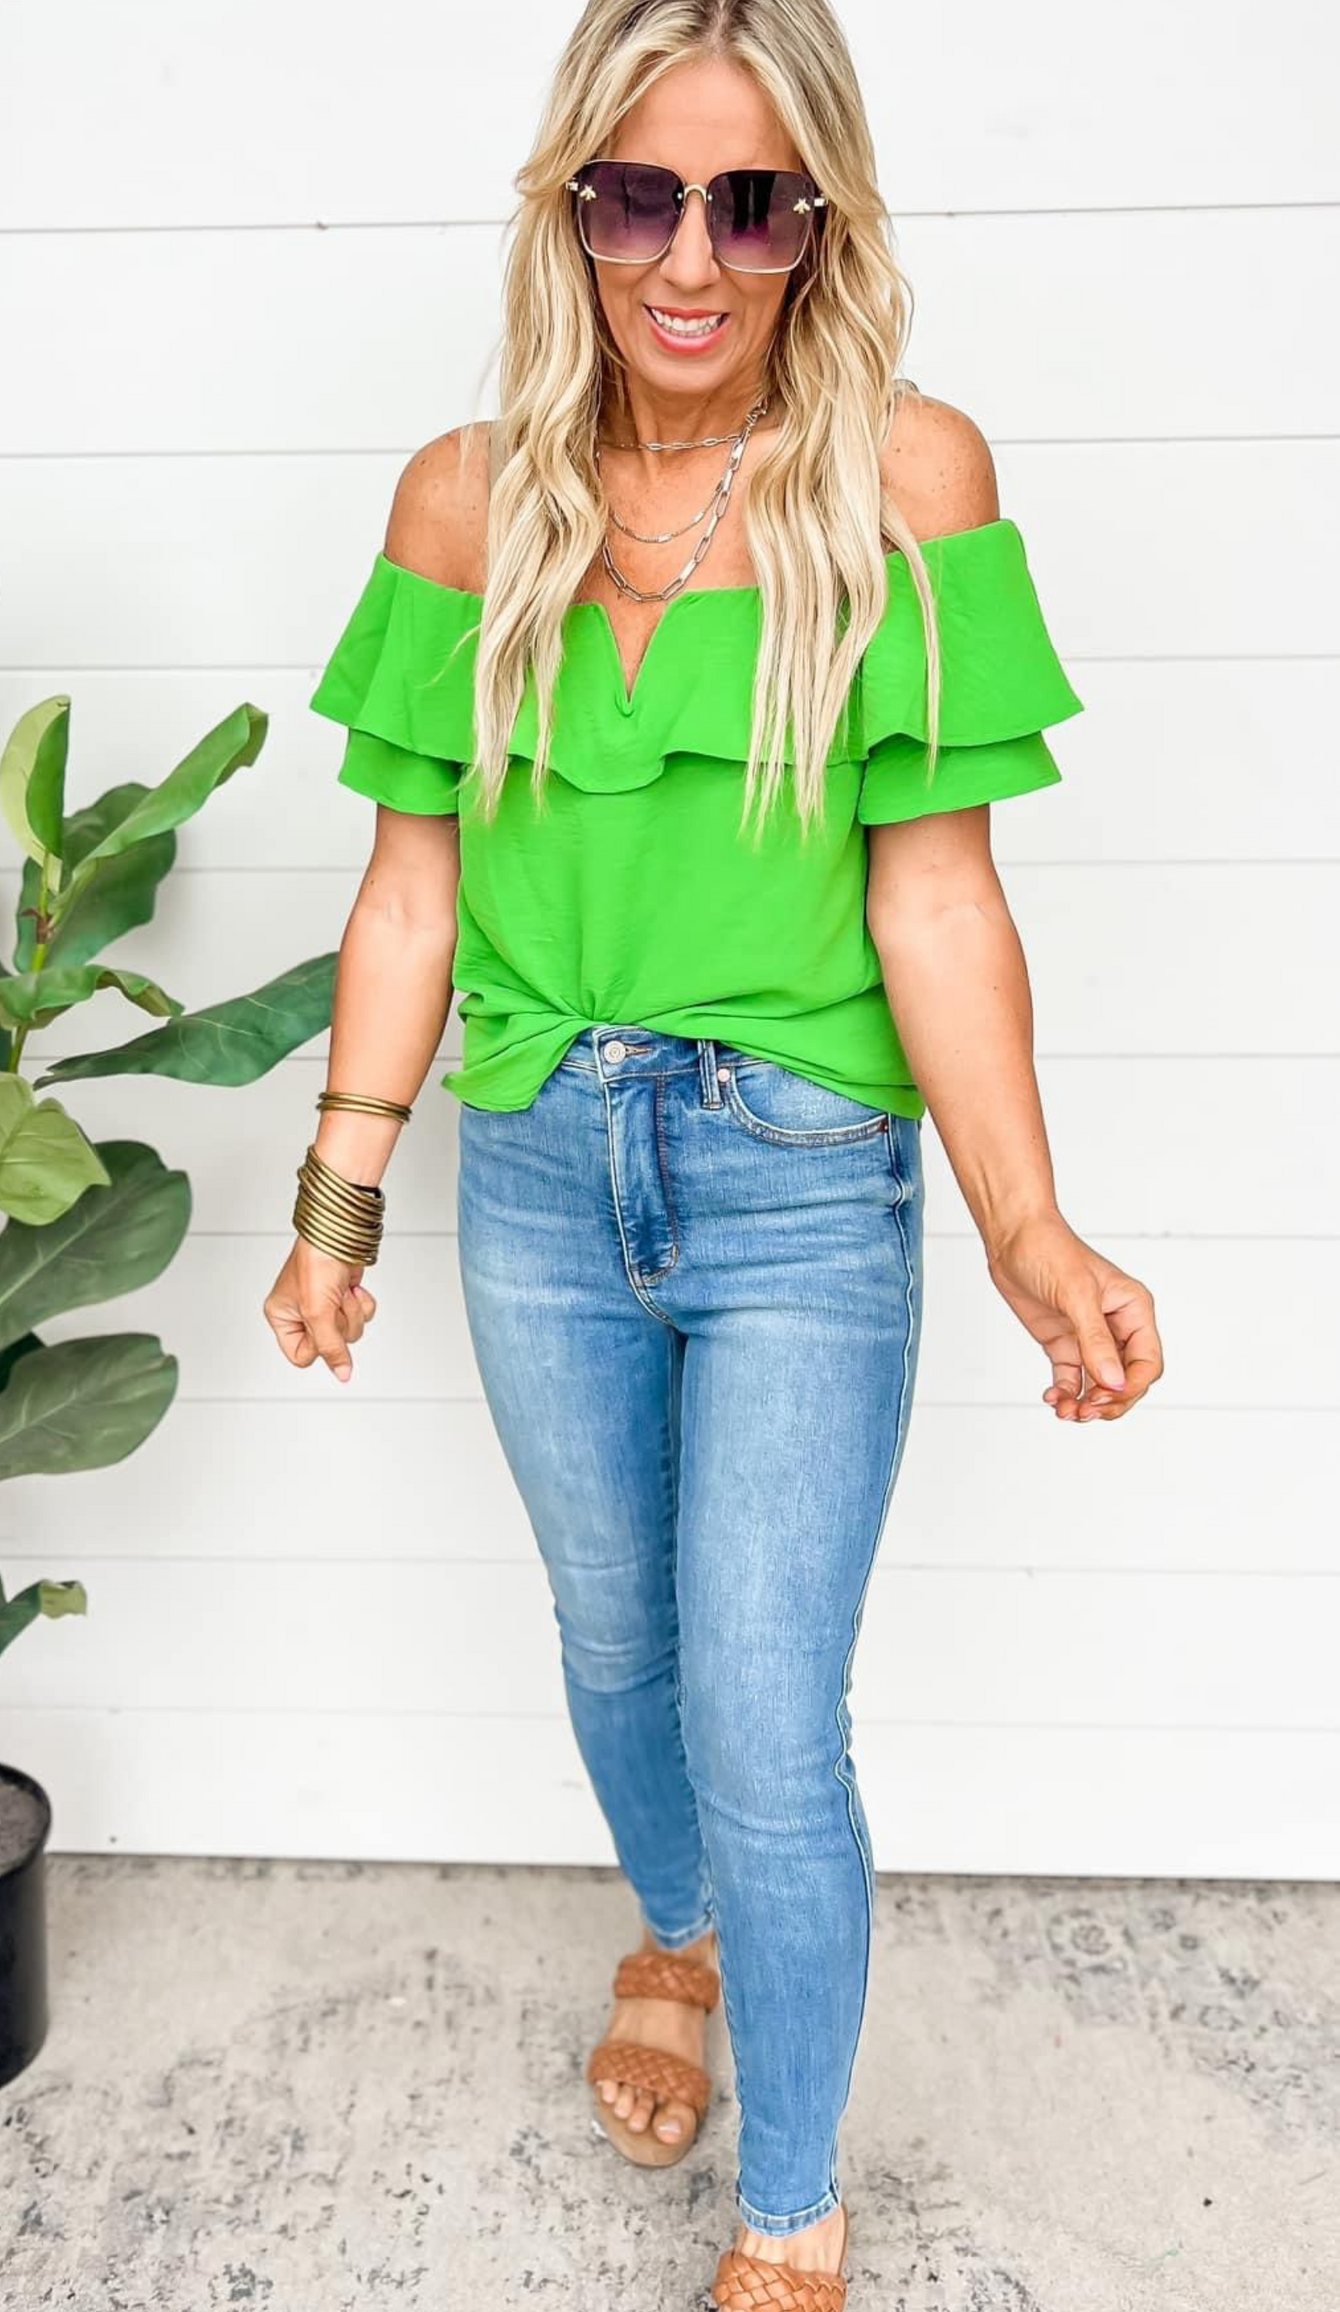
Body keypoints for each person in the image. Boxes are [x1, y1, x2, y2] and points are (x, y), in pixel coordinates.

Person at [263, 1, 1165, 2300]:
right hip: (543, 1170)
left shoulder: (905, 482)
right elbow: (409, 888)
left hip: (794, 1178)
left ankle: (790, 2205)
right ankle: (664, 1933)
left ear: (817, 226)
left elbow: (934, 890)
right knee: (608, 1631)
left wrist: (1026, 1222)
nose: (687, 256)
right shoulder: (464, 502)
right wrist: (340, 1196)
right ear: (570, 206)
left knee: (768, 1704)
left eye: (747, 202)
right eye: (633, 195)